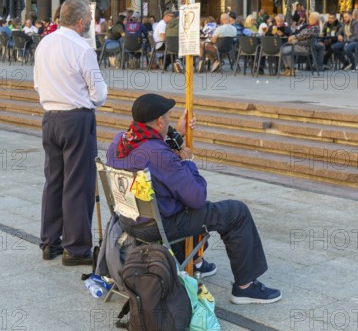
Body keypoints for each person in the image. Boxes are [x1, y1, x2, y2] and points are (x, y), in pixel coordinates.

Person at [106, 93, 282, 304]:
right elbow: (197, 197)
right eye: (169, 118)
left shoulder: (120, 141)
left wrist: (177, 134)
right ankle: (245, 286)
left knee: (174, 199)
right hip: (160, 226)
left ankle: (195, 262)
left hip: (129, 221)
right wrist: (187, 161)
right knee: (236, 212)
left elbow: (152, 150)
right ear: (160, 121)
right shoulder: (159, 155)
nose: (170, 121)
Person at [33, 0, 108, 265]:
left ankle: (50, 242)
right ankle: (75, 248)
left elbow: (37, 84)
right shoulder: (82, 48)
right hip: (75, 118)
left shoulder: (44, 43)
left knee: (54, 180)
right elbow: (98, 94)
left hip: (50, 116)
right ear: (80, 21)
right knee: (77, 183)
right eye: (89, 16)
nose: (91, 20)